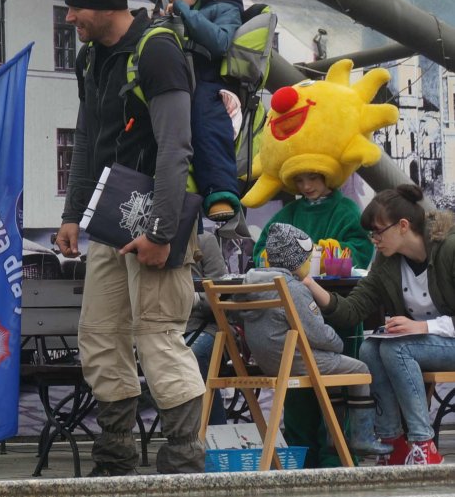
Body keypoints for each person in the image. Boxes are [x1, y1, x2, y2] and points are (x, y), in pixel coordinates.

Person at [54, 0, 206, 475]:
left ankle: (184, 460)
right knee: (99, 334)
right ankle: (116, 456)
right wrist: (74, 214)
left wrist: (161, 232)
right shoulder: (91, 58)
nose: (70, 18)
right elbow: (88, 139)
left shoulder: (157, 49)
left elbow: (174, 149)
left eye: (76, 9)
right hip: (108, 219)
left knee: (159, 334)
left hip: (155, 217)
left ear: (102, 6)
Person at [303, 185, 455, 466]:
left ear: (403, 226)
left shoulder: (449, 249)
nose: (373, 239)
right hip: (421, 346)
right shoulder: (387, 260)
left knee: (396, 349)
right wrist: (309, 283)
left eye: (377, 231)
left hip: (443, 340)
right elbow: (352, 310)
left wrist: (423, 327)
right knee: (371, 348)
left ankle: (423, 444)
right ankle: (392, 443)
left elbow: (418, 332)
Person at [241, 223, 391, 457]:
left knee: (332, 370)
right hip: (294, 361)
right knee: (358, 368)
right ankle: (359, 437)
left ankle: (335, 438)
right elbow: (318, 333)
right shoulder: (293, 288)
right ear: (297, 260)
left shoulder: (252, 282)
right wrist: (338, 344)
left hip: (268, 361)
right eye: (308, 258)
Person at [164, 0, 243, 221]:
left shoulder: (226, 8)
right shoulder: (184, 10)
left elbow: (220, 41)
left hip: (208, 82)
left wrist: (184, 14)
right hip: (178, 79)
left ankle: (219, 191)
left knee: (204, 120)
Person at [251, 171, 374, 271]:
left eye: (313, 178)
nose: (306, 186)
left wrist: (317, 256)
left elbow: (361, 252)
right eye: (299, 180)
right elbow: (261, 250)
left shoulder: (348, 210)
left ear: (326, 174)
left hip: (337, 293)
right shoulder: (289, 212)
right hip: (293, 293)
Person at [185, 230, 229, 426]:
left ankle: (214, 433)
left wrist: (192, 300)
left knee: (191, 354)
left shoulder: (204, 240)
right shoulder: (145, 241)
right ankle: (183, 434)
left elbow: (221, 295)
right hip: (161, 327)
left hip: (205, 325)